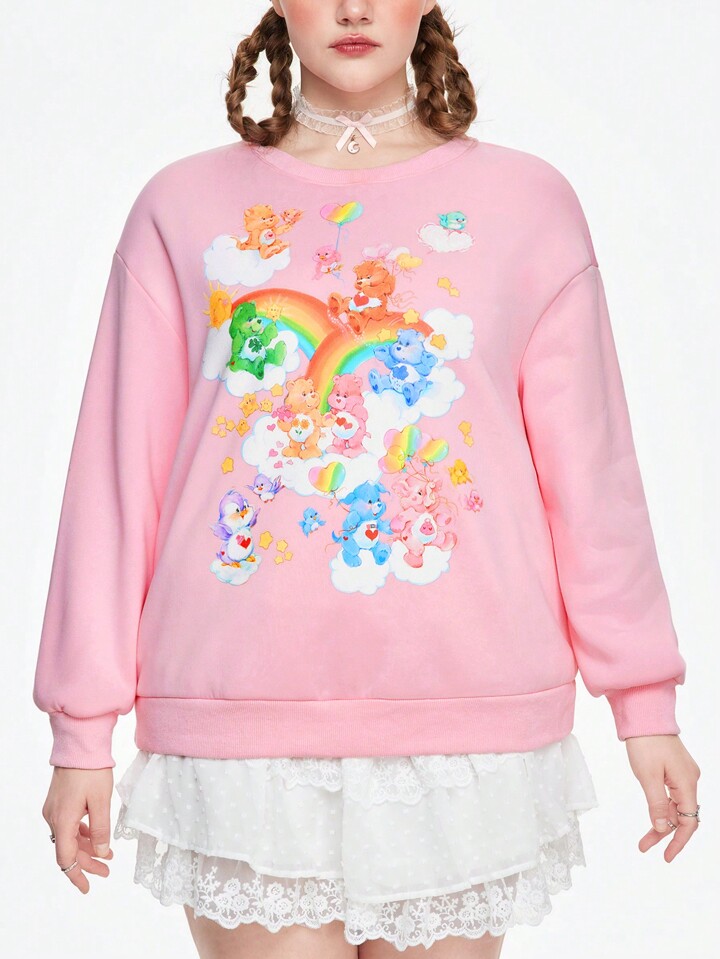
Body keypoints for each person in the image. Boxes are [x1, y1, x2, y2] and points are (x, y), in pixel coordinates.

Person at [33, 2, 701, 957]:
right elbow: (114, 481)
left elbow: (592, 475)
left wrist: (645, 702)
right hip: (241, 732)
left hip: (467, 730)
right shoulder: (180, 209)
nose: (355, 7)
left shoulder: (528, 206)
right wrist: (82, 727)